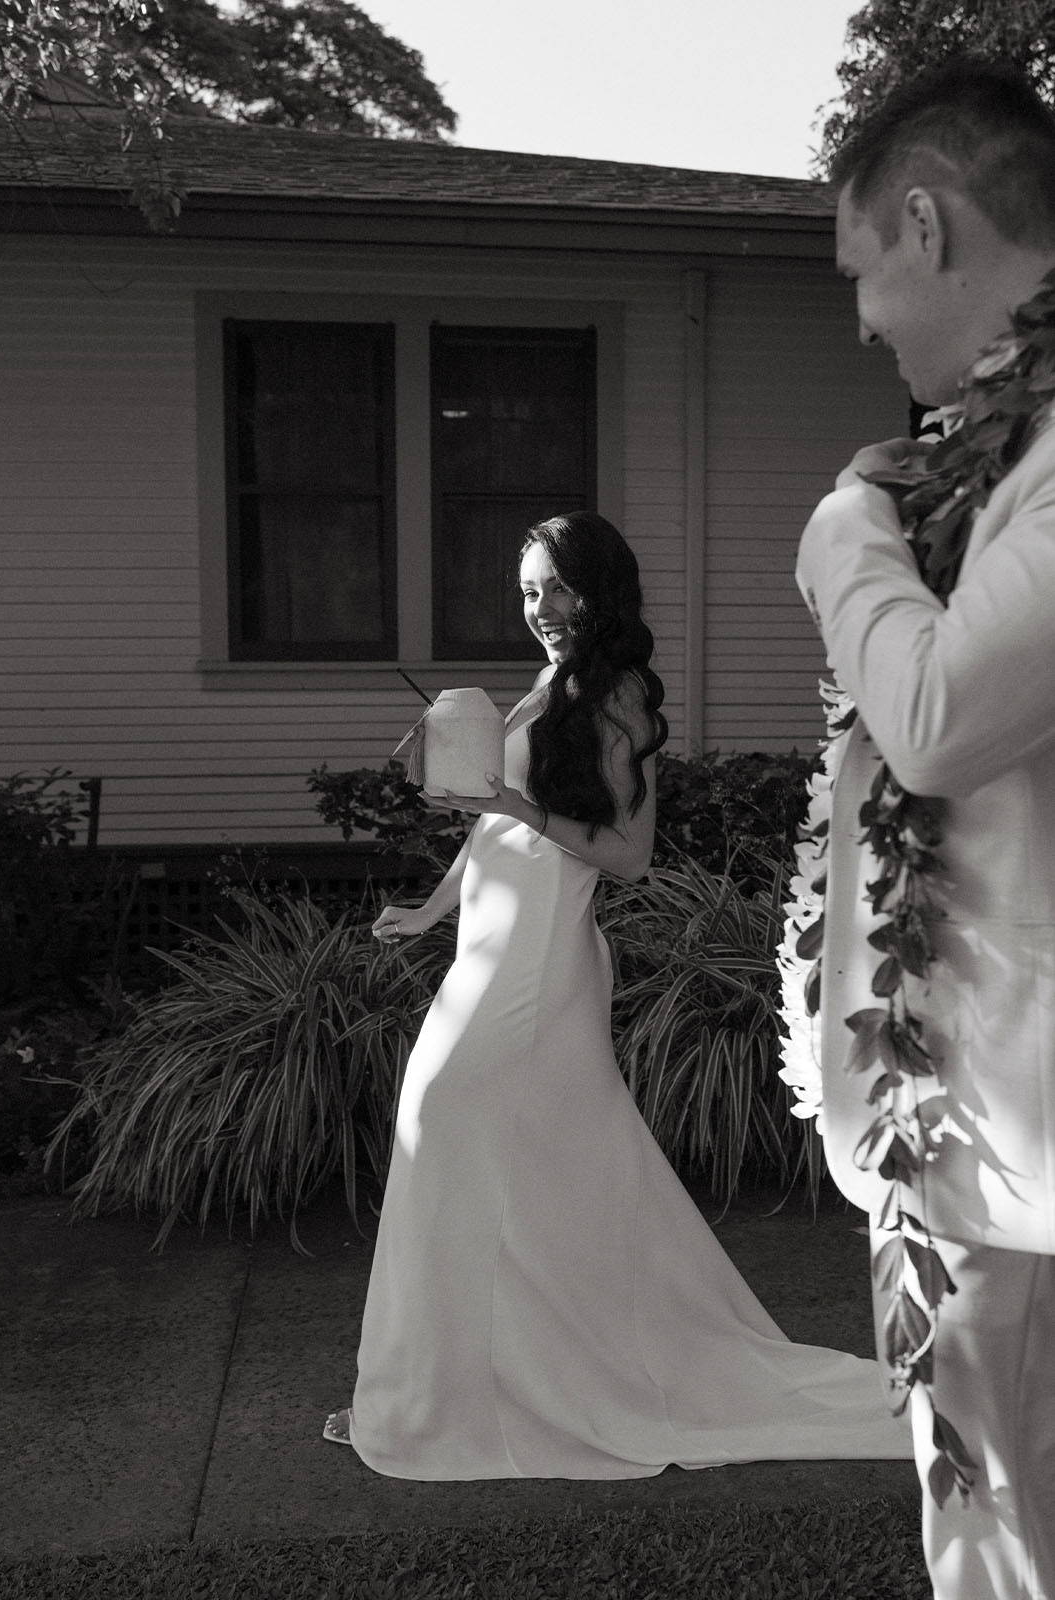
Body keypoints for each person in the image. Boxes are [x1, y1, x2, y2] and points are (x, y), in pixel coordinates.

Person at [324, 509, 911, 1479]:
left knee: (444, 1120)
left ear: (600, 587)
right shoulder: (551, 683)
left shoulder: (618, 693)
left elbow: (627, 857)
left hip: (538, 960)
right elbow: (488, 829)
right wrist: (428, 909)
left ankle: (433, 1396)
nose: (541, 608)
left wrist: (509, 800)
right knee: (500, 1161)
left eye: (557, 586)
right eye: (525, 592)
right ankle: (434, 1389)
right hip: (484, 954)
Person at [797, 59, 1055, 1600]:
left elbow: (941, 719)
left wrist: (839, 533)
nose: (859, 318)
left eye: (859, 271)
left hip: (1006, 1101)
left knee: (995, 1519)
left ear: (923, 222)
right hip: (973, 1105)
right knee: (992, 1498)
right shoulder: (978, 468)